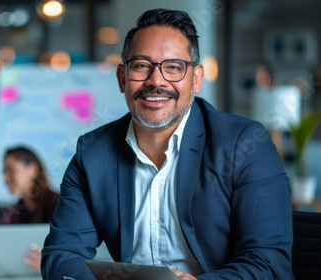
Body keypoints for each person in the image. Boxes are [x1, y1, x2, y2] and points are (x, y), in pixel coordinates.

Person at [41, 8, 293, 280]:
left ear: (195, 79)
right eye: (141, 66)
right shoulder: (91, 153)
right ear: (122, 78)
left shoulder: (244, 144)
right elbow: (61, 254)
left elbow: (269, 261)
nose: (156, 81)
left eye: (173, 67)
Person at [1, 146, 59, 272]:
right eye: (4, 172)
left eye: (10, 170)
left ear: (32, 169)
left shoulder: (59, 204)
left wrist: (49, 264)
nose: (4, 179)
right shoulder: (14, 212)